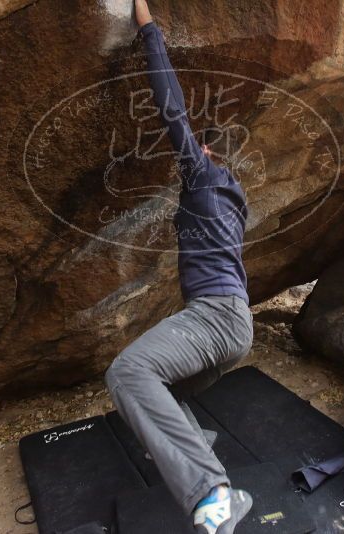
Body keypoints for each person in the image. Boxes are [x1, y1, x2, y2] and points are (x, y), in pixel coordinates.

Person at [104, 1, 254, 533]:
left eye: (204, 149)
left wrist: (148, 26)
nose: (199, 148)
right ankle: (191, 448)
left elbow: (171, 106)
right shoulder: (233, 203)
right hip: (236, 323)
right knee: (162, 392)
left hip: (216, 318)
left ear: (211, 158)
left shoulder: (202, 176)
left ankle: (213, 493)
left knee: (128, 372)